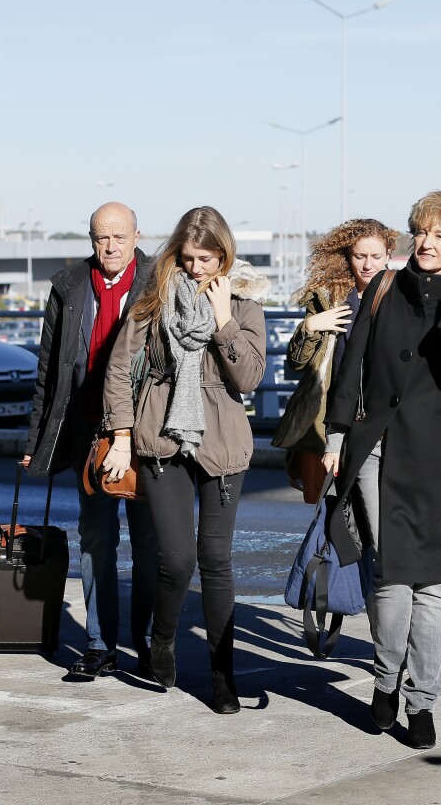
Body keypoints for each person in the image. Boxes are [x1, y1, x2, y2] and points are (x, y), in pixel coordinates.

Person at [323, 190, 441, 749]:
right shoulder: (382, 288)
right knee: (391, 572)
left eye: (440, 235)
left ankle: (422, 701)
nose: (425, 241)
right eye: (421, 231)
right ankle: (385, 680)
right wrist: (338, 433)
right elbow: (353, 367)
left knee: (434, 583)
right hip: (379, 447)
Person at [102, 206, 268, 713]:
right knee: (175, 559)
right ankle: (162, 640)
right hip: (161, 443)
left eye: (209, 258)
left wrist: (222, 321)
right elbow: (118, 369)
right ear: (178, 252)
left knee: (216, 561)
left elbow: (248, 380)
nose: (199, 268)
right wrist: (122, 437)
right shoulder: (152, 300)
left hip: (221, 446)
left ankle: (222, 677)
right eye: (191, 257)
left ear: (225, 255)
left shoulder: (243, 304)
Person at [23, 202, 157, 679]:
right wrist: (37, 436)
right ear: (91, 239)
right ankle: (100, 644)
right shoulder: (70, 285)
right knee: (96, 538)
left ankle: (145, 642)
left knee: (148, 539)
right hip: (88, 431)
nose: (111, 246)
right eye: (102, 237)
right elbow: (48, 370)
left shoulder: (160, 281)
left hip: (145, 432)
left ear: (137, 237)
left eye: (120, 237)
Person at [274, 219, 399, 503]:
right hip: (331, 417)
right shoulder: (329, 299)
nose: (368, 264)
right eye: (360, 256)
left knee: (376, 509)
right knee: (330, 509)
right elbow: (296, 364)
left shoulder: (400, 297)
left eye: (376, 257)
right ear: (347, 256)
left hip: (381, 420)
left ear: (389, 255)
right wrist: (310, 327)